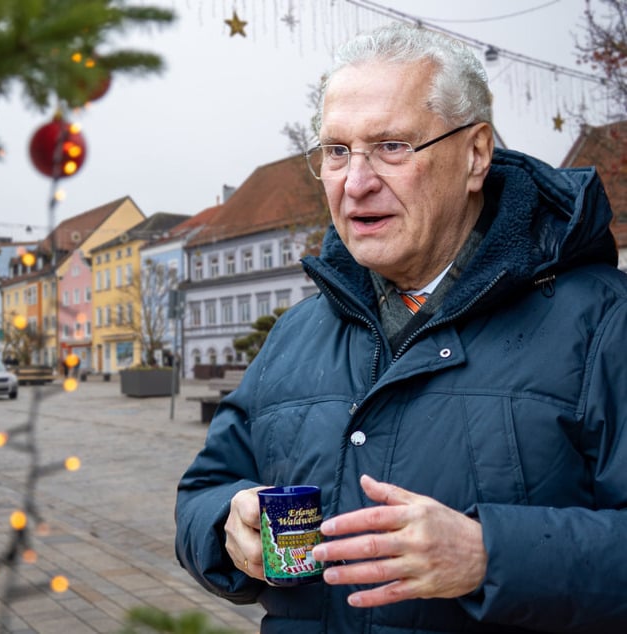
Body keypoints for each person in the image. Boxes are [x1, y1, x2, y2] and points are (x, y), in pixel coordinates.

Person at [175, 22, 627, 634]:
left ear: (475, 155)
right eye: (336, 151)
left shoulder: (604, 322)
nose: (355, 183)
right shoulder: (296, 333)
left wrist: (490, 556)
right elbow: (204, 487)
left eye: (391, 146)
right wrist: (224, 524)